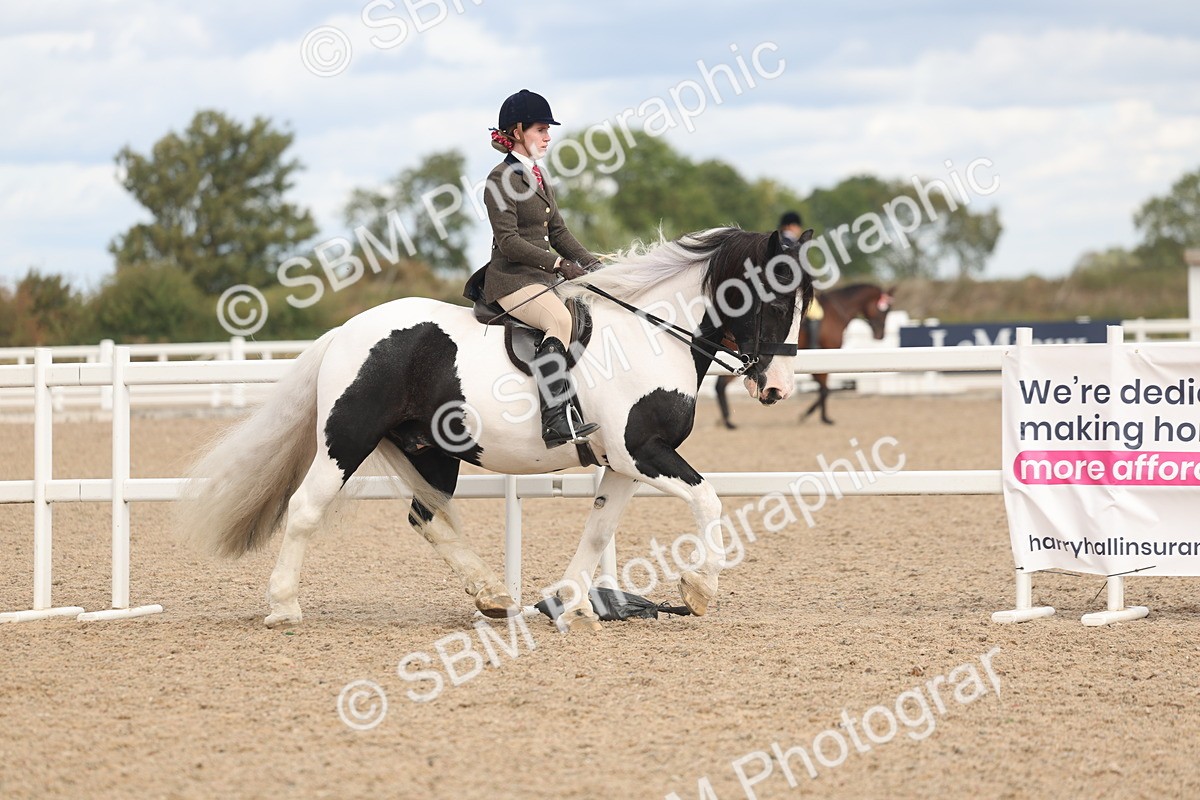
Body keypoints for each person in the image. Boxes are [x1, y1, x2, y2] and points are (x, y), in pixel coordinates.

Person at [479, 89, 601, 448]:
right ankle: (555, 420)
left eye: (548, 130)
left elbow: (558, 231)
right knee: (559, 321)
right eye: (541, 129)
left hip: (541, 277)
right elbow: (509, 242)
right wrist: (559, 264)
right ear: (517, 131)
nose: (548, 137)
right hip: (511, 279)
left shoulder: (538, 175)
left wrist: (593, 264)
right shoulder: (499, 180)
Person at [779, 210, 822, 348]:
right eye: (798, 226)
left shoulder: (776, 241)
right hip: (792, 288)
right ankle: (813, 347)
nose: (799, 230)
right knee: (816, 313)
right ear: (791, 226)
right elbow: (802, 269)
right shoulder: (794, 244)